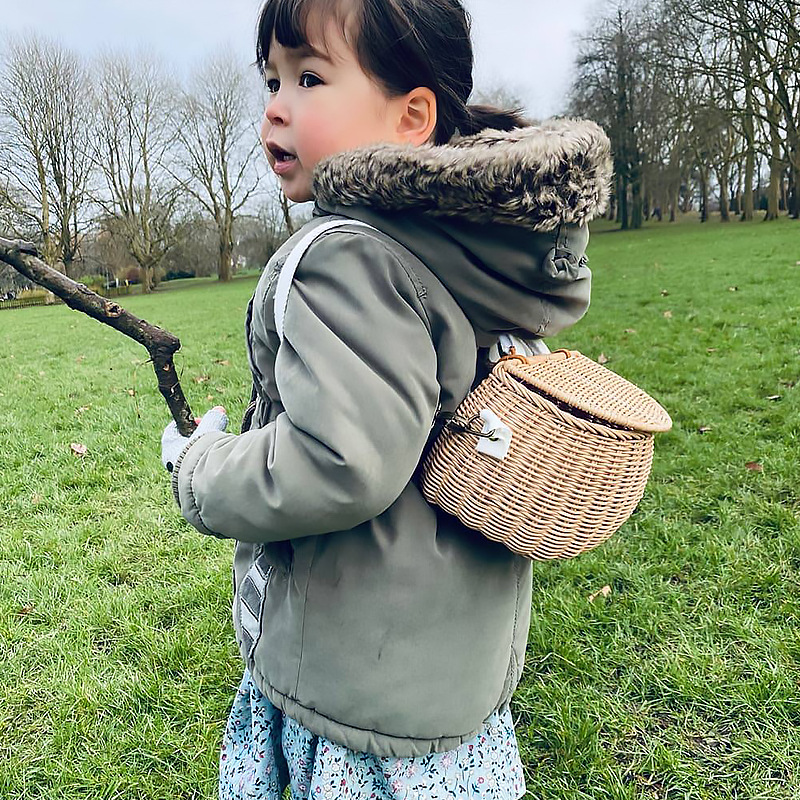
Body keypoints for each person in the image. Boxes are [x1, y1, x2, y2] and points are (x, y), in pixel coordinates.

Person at [160, 0, 612, 797]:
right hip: (446, 679)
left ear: (411, 116)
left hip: (357, 700)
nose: (274, 104)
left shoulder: (349, 260)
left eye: (308, 76)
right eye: (271, 77)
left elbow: (340, 462)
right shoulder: (468, 252)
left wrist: (201, 470)